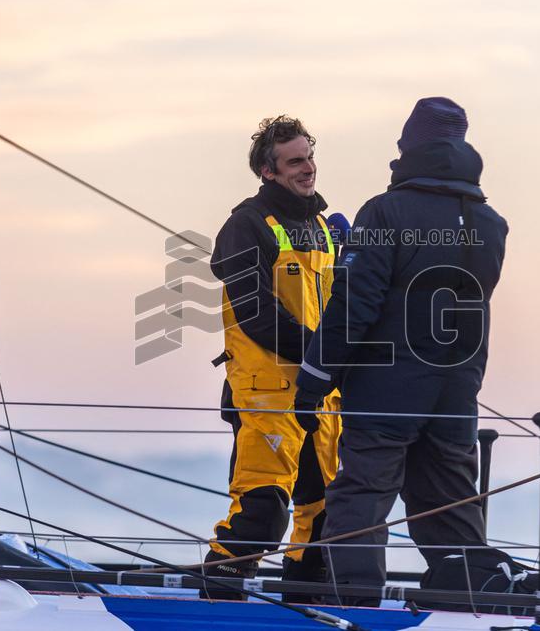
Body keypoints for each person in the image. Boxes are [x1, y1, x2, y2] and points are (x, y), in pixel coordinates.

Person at [293, 97, 508, 604]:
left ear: (410, 146)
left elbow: (353, 305)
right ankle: (464, 603)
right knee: (449, 502)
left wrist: (314, 378)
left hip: (387, 386)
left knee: (361, 495)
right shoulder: (492, 222)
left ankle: (354, 603)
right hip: (458, 387)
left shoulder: (386, 211)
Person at [204, 115, 341, 599]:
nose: (309, 169)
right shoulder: (245, 226)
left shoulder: (325, 228)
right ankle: (219, 601)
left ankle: (304, 605)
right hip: (268, 394)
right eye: (296, 161)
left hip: (321, 394)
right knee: (262, 510)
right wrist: (326, 353)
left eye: (310, 157)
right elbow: (257, 316)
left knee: (322, 514)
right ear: (268, 170)